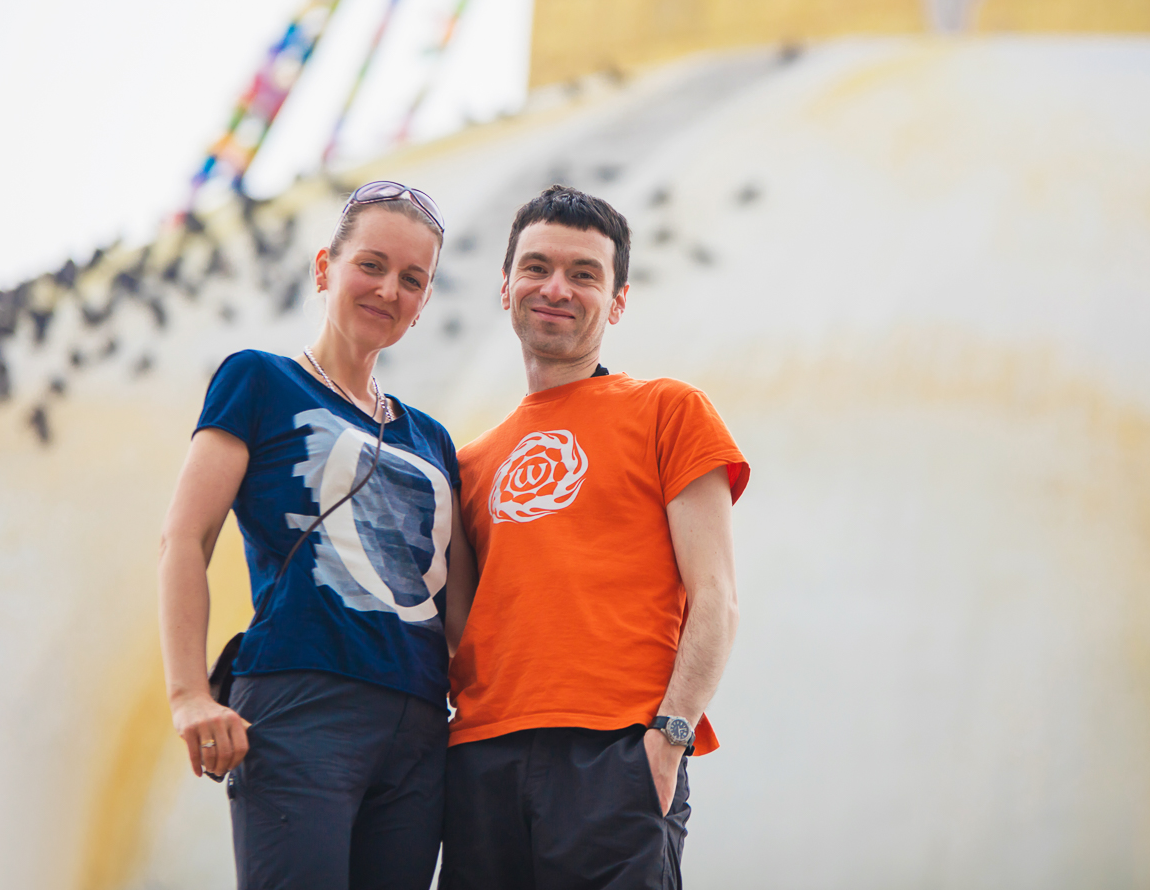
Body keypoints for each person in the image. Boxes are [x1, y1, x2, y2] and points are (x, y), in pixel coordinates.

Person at [157, 181, 470, 890]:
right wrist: (188, 696)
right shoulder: (259, 380)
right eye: (372, 265)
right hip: (303, 705)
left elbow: (460, 615)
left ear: (424, 302)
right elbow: (185, 538)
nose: (388, 290)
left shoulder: (433, 439)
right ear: (325, 268)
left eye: (412, 279)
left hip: (420, 729)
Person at [439, 185, 750, 890]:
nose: (557, 288)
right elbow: (459, 626)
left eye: (584, 274)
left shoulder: (669, 411)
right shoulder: (470, 464)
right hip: (481, 760)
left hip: (617, 754)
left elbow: (717, 598)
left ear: (617, 301)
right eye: (537, 267)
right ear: (505, 286)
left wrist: (670, 737)